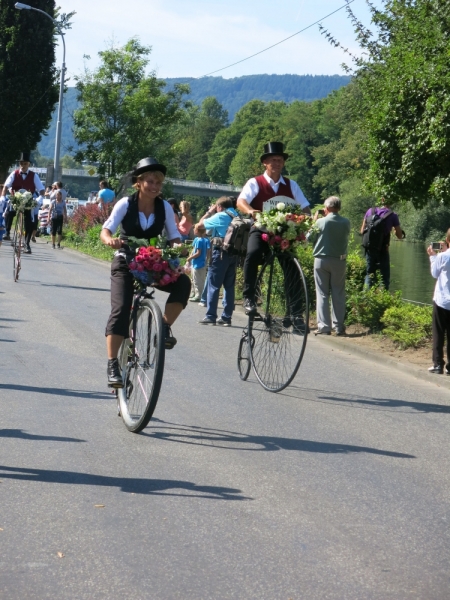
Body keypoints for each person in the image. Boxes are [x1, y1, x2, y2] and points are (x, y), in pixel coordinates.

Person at [100, 157, 191, 388]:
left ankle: (164, 325)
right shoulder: (125, 204)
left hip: (152, 262)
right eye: (150, 181)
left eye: (158, 183)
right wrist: (110, 240)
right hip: (126, 261)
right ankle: (112, 364)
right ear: (138, 183)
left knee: (183, 283)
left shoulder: (165, 208)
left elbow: (174, 237)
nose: (155, 186)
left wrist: (179, 248)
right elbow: (106, 230)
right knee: (121, 309)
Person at [236, 141, 311, 314]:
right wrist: (251, 211)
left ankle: (295, 312)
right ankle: (249, 297)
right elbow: (241, 201)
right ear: (265, 163)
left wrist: (305, 221)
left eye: (280, 160)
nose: (277, 163)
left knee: (292, 266)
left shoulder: (291, 185)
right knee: (253, 253)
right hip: (261, 228)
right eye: (273, 160)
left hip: (284, 233)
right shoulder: (255, 182)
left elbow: (305, 206)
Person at [308, 196, 351, 336]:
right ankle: (338, 327)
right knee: (338, 292)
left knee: (322, 293)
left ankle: (324, 327)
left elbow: (309, 238)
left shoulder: (321, 221)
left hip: (321, 260)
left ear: (326, 208)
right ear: (339, 207)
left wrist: (314, 221)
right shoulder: (346, 222)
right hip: (339, 260)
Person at [197, 196, 238, 326]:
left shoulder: (221, 216)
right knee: (229, 286)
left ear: (219, 207)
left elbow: (200, 225)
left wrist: (209, 212)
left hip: (219, 253)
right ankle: (226, 317)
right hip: (234, 254)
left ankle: (211, 315)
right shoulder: (237, 215)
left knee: (213, 285)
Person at [2, 152, 45, 251]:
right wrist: (2, 197)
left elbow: (41, 189)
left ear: (29, 164)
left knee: (29, 219)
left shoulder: (34, 176)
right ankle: (7, 232)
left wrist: (40, 198)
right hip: (16, 200)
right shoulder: (14, 173)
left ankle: (26, 243)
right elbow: (6, 186)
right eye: (21, 163)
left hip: (28, 201)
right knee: (9, 211)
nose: (23, 166)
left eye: (25, 163)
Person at [360, 198, 403, 290]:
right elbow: (399, 236)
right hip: (383, 249)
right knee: (384, 278)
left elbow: (362, 231)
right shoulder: (393, 215)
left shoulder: (370, 211)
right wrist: (395, 230)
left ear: (381, 200)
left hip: (369, 248)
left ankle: (365, 299)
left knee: (369, 274)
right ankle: (383, 300)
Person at [427, 231, 450, 374]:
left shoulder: (442, 256)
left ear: (447, 240)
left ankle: (438, 364)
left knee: (439, 333)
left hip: (442, 300)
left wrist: (433, 257)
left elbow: (435, 274)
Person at [186, 223, 210, 302]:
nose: (193, 230)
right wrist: (190, 256)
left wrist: (189, 258)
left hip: (198, 263)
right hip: (198, 263)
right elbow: (193, 250)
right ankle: (194, 292)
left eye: (194, 229)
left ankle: (198, 295)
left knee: (197, 280)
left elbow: (198, 253)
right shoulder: (198, 239)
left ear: (197, 231)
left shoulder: (199, 241)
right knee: (194, 279)